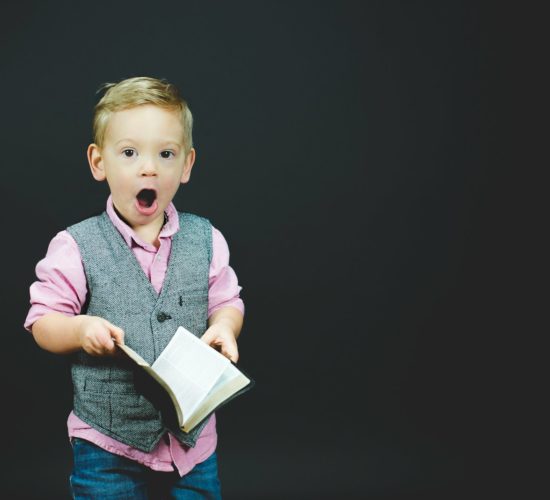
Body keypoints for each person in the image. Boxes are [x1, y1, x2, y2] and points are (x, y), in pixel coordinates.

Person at [24, 76, 244, 499]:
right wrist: (79, 329)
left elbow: (227, 300)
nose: (149, 167)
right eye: (129, 153)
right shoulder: (75, 245)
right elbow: (42, 322)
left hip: (192, 444)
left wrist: (226, 326)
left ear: (186, 165)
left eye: (166, 154)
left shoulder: (207, 239)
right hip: (107, 443)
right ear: (98, 162)